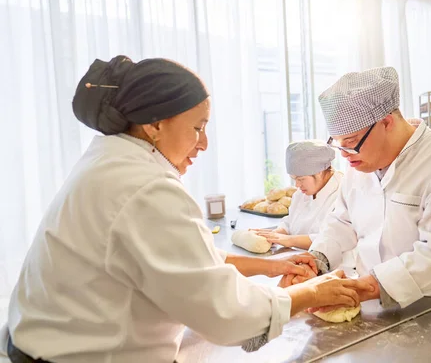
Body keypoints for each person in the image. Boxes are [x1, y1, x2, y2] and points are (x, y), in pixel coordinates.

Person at [0, 56, 373, 363]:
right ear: (155, 123)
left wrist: (274, 266)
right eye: (198, 127)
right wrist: (312, 294)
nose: (204, 143)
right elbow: (226, 315)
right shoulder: (145, 188)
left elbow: (188, 260)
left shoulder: (109, 162)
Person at [282, 67, 431, 312]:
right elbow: (342, 221)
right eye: (337, 143)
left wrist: (363, 288)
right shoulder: (359, 164)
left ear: (387, 122)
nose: (345, 154)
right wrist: (318, 258)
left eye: (350, 142)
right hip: (377, 305)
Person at [252, 140, 343, 251]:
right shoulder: (301, 193)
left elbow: (333, 240)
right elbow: (289, 222)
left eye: (301, 179)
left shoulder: (343, 193)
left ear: (320, 171)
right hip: (298, 257)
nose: (297, 185)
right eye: (294, 179)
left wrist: (290, 240)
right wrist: (275, 235)